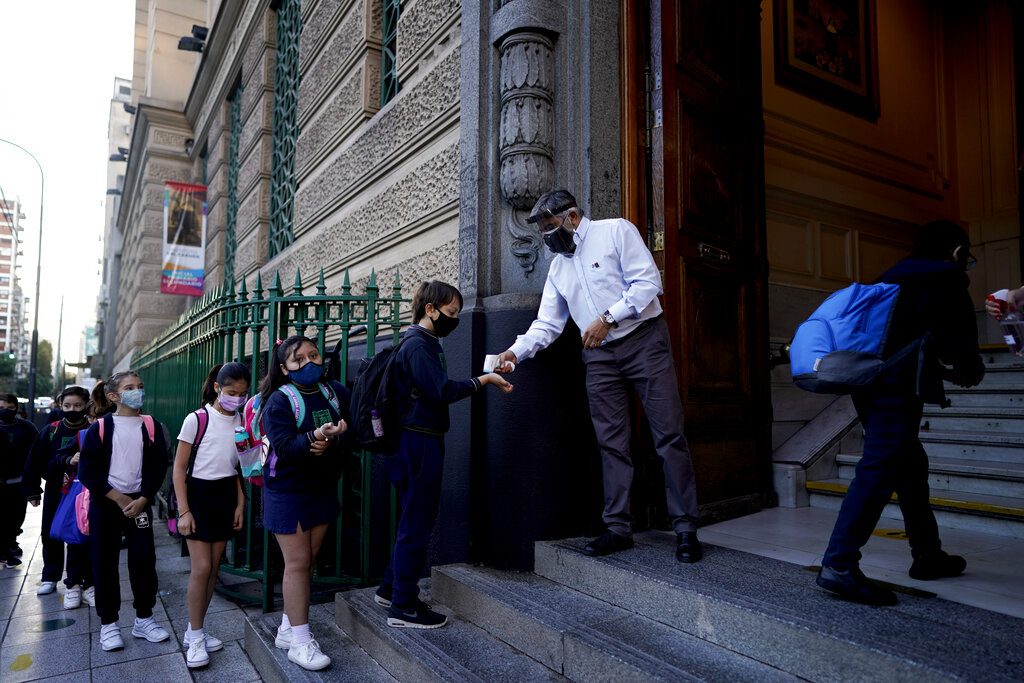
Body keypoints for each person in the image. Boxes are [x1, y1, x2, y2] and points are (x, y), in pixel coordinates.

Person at [493, 189, 703, 564]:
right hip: (599, 357)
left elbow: (648, 283)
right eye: (542, 230)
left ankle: (686, 528)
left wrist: (608, 319)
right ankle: (618, 528)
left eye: (551, 226)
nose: (547, 236)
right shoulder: (558, 267)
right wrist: (515, 352)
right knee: (610, 442)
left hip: (644, 341)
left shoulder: (616, 232)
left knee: (669, 434)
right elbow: (547, 323)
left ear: (572, 216)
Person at [816, 220, 985, 606]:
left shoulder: (889, 277)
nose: (965, 263)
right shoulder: (947, 278)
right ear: (957, 251)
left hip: (867, 382)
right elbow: (961, 352)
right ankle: (839, 564)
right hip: (896, 386)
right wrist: (967, 369)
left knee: (910, 464)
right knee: (879, 468)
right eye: (967, 256)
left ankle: (927, 555)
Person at [375, 281, 514, 629]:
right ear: (430, 309)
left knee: (410, 517)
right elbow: (441, 392)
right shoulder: (419, 346)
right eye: (450, 313)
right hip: (419, 443)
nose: (453, 320)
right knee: (417, 521)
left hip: (411, 441)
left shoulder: (418, 342)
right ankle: (404, 605)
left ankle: (391, 588)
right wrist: (486, 380)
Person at [260, 336, 349, 671]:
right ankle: (300, 642)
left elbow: (348, 431)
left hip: (323, 487)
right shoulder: (279, 401)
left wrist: (333, 438)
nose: (311, 363)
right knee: (297, 562)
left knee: (308, 559)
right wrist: (315, 437)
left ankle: (287, 627)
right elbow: (284, 446)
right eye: (300, 359)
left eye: (314, 355)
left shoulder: (335, 391)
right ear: (284, 368)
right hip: (288, 491)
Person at [79, 371, 171, 651]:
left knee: (144, 560)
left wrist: (143, 499)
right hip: (107, 502)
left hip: (139, 504)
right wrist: (118, 498)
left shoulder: (151, 425)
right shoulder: (102, 427)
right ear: (114, 396)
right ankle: (109, 624)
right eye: (130, 387)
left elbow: (158, 467)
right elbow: (88, 471)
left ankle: (144, 619)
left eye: (140, 386)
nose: (137, 391)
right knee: (104, 561)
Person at [172, 362, 250, 669]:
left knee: (213, 568)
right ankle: (196, 636)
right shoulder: (197, 419)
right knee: (201, 568)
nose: (237, 399)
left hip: (226, 496)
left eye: (243, 394)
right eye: (232, 392)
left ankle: (196, 631)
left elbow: (239, 468)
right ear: (217, 387)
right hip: (197, 496)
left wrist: (240, 504)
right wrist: (184, 510)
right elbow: (178, 468)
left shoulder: (243, 418)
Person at [22, 386, 95, 607]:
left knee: (81, 535)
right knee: (50, 532)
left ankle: (83, 581)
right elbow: (35, 461)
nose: (72, 410)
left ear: (86, 406)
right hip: (56, 489)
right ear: (60, 406)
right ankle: (50, 576)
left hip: (84, 492)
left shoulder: (93, 430)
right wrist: (33, 491)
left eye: (77, 406)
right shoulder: (51, 430)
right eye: (67, 406)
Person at [0, 393, 37, 567]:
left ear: (16, 408)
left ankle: (11, 543)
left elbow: (37, 453)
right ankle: (6, 552)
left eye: (9, 408)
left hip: (19, 483)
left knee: (16, 518)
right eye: (1, 408)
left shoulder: (27, 428)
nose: (5, 411)